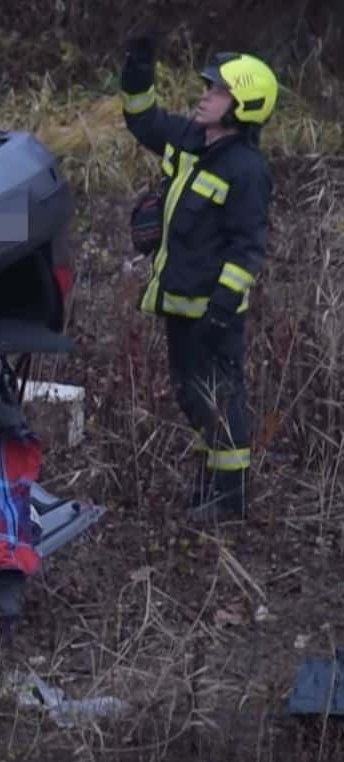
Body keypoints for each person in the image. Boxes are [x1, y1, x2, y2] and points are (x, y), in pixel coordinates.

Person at [120, 32, 278, 522]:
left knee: (221, 398)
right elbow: (142, 117)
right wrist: (138, 68)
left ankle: (229, 500)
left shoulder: (246, 171)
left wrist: (222, 308)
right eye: (206, 87)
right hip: (179, 303)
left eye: (216, 91)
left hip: (212, 313)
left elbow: (246, 248)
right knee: (193, 396)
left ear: (242, 105)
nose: (203, 95)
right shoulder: (190, 137)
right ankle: (210, 484)